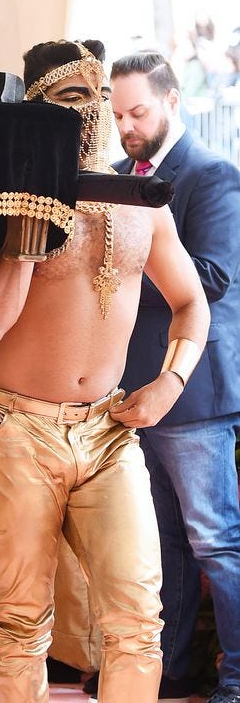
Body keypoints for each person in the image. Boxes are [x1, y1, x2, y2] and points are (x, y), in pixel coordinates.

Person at [0, 39, 210, 703]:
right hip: (14, 431)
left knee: (136, 621)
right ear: (38, 110)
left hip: (107, 432)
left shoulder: (141, 201)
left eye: (100, 94)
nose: (95, 110)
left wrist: (169, 385)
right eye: (74, 96)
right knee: (20, 621)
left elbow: (191, 304)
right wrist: (28, 226)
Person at [111, 51, 240, 703]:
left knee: (216, 544)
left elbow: (213, 279)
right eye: (118, 115)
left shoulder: (214, 175)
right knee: (162, 544)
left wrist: (141, 257)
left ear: (171, 100)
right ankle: (172, 669)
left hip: (197, 390)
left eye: (138, 112)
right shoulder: (109, 177)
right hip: (132, 387)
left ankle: (238, 677)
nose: (127, 126)